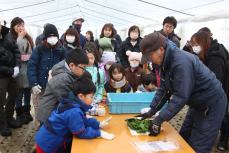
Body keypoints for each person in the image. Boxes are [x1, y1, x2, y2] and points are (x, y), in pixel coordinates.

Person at [137, 31, 227, 153]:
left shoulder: (181, 62)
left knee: (198, 145)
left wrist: (159, 119)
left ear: (161, 49)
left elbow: (180, 97)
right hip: (196, 102)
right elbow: (164, 88)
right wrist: (152, 110)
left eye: (150, 55)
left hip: (211, 103)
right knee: (183, 138)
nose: (149, 60)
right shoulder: (163, 62)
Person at [35, 77, 115, 153]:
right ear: (81, 96)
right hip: (49, 145)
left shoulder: (73, 102)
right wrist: (99, 133)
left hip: (47, 139)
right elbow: (80, 132)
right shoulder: (74, 111)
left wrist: (98, 124)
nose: (93, 99)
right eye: (91, 97)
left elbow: (83, 120)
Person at [191, 30, 229, 151]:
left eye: (195, 44)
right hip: (216, 91)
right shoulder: (207, 53)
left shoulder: (215, 58)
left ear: (203, 43)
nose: (194, 47)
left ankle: (224, 138)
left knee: (222, 115)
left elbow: (215, 82)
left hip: (223, 89)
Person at [27, 24, 65, 129]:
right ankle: (40, 132)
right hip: (40, 86)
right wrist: (33, 83)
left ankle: (51, 129)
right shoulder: (39, 49)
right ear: (45, 38)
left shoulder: (61, 50)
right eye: (50, 36)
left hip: (55, 86)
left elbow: (64, 68)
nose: (52, 38)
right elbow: (31, 66)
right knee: (40, 109)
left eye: (54, 36)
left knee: (52, 108)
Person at [37, 49, 89, 123]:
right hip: (49, 116)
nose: (84, 71)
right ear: (72, 65)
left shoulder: (68, 69)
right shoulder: (62, 78)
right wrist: (87, 107)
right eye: (83, 68)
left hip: (56, 112)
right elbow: (68, 101)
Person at [10, 17, 34, 124]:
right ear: (13, 26)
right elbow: (16, 53)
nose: (21, 28)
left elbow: (32, 52)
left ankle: (27, 113)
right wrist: (20, 38)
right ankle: (19, 114)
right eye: (18, 25)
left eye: (22, 25)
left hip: (28, 70)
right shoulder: (11, 38)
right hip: (18, 70)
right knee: (19, 93)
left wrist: (30, 57)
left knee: (28, 92)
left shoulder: (28, 38)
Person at [0, 19, 21, 136]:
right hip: (2, 75)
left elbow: (16, 51)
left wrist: (17, 66)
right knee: (0, 99)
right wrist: (10, 70)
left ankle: (9, 118)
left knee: (14, 94)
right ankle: (2, 124)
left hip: (13, 72)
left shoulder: (7, 35)